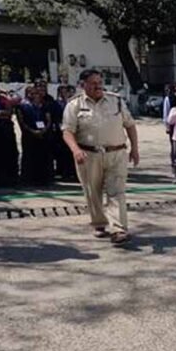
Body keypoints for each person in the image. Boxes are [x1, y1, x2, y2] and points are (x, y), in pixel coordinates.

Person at [61, 69, 139, 246]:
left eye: (99, 82)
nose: (98, 86)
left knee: (116, 191)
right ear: (83, 85)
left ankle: (118, 229)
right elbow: (67, 131)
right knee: (92, 192)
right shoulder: (74, 105)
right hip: (88, 155)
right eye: (93, 83)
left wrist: (135, 149)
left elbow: (130, 125)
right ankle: (99, 223)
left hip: (116, 153)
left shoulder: (116, 101)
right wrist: (75, 150)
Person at [17, 85, 54, 186]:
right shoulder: (22, 106)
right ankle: (28, 179)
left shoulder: (44, 105)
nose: (34, 95)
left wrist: (44, 130)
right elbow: (22, 121)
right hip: (29, 134)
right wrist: (32, 131)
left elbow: (48, 119)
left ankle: (43, 179)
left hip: (43, 134)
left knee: (42, 156)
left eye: (35, 93)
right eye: (31, 93)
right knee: (29, 157)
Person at [52, 85, 77, 180]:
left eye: (66, 91)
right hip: (61, 130)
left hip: (72, 129)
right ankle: (62, 172)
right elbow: (56, 116)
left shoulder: (72, 102)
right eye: (62, 91)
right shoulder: (56, 103)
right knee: (62, 152)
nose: (64, 93)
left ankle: (71, 172)